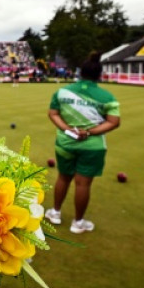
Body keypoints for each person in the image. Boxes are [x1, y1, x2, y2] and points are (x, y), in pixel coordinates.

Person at [45, 52, 121, 233]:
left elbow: (53, 114)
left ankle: (55, 213)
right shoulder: (108, 97)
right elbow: (114, 122)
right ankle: (78, 223)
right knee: (83, 184)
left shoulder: (62, 92)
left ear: (80, 73)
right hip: (92, 146)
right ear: (99, 75)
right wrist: (88, 132)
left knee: (63, 177)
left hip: (65, 143)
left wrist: (67, 129)